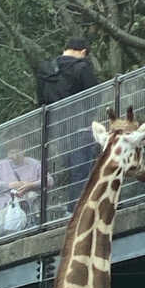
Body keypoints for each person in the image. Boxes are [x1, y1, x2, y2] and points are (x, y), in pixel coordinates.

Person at [37, 37, 99, 209]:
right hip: (80, 126)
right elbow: (94, 97)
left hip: (58, 128)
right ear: (83, 52)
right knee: (83, 168)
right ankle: (79, 208)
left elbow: (41, 101)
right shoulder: (82, 67)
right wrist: (89, 120)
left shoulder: (45, 70)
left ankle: (71, 207)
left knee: (70, 168)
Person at [0, 146, 49, 234]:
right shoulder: (1, 166)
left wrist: (31, 185)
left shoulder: (34, 164)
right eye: (11, 152)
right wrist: (8, 185)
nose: (15, 156)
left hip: (31, 211)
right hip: (6, 211)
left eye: (17, 152)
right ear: (7, 154)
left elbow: (49, 180)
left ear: (23, 151)